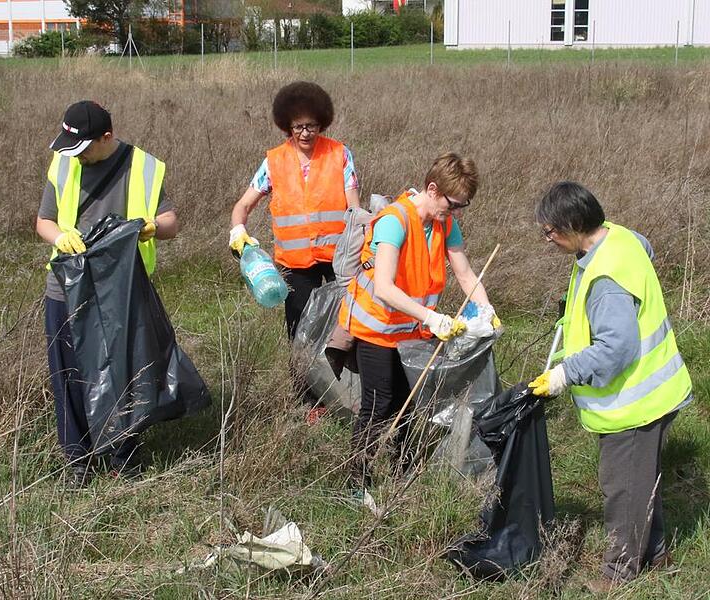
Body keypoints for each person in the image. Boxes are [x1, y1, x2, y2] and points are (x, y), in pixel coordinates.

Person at [529, 182, 692, 592]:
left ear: (572, 224)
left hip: (633, 402)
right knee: (643, 480)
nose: (547, 239)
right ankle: (657, 554)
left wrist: (566, 373)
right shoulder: (620, 237)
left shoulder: (606, 281)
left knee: (622, 489)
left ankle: (619, 574)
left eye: (549, 231)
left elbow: (617, 348)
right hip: (659, 392)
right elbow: (647, 249)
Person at [36, 100, 179, 488]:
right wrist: (60, 237)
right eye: (69, 147)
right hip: (65, 287)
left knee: (123, 371)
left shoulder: (145, 167)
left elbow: (171, 223)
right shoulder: (65, 162)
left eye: (82, 148)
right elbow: (43, 221)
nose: (75, 156)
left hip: (121, 290)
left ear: (106, 138)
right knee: (68, 374)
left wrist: (150, 226)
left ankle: (124, 453)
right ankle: (77, 459)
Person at [338, 153, 500, 489]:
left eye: (461, 207)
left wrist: (487, 313)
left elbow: (465, 272)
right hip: (378, 329)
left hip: (412, 333)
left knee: (409, 405)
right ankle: (356, 483)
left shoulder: (444, 224)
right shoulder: (394, 221)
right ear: (432, 189)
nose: (454, 213)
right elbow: (383, 286)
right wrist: (432, 317)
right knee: (379, 406)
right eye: (453, 204)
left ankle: (401, 478)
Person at [229, 81, 360, 341]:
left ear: (321, 123)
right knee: (299, 332)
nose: (304, 133)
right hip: (295, 263)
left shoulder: (340, 154)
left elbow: (355, 208)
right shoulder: (274, 161)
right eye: (298, 126)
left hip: (339, 259)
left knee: (348, 326)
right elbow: (243, 205)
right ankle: (301, 382)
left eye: (311, 125)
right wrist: (238, 230)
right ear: (287, 125)